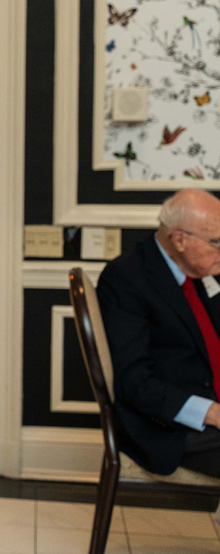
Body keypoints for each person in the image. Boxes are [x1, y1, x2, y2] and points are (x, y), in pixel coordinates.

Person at [97, 189, 220, 477]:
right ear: (179, 240)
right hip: (169, 424)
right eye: (217, 242)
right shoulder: (127, 279)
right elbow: (133, 381)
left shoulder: (203, 268)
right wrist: (211, 412)